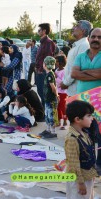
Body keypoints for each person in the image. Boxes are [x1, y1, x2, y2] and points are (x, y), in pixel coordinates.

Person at [71, 27, 101, 174]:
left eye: (99, 37)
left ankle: (99, 165)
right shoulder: (81, 56)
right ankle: (85, 164)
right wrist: (96, 74)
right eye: (93, 37)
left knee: (100, 136)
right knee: (83, 135)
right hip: (82, 102)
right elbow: (74, 73)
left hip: (99, 103)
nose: (96, 39)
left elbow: (79, 73)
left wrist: (82, 73)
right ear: (88, 39)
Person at [65, 100, 97, 199]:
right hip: (78, 180)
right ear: (78, 119)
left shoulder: (84, 133)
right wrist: (81, 183)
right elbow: (73, 164)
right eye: (89, 116)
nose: (92, 118)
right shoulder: (72, 139)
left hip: (87, 176)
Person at [60, 20, 92, 97]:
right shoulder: (78, 45)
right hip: (72, 91)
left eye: (77, 26)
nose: (73, 28)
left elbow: (78, 69)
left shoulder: (84, 46)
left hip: (77, 93)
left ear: (83, 31)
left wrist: (65, 83)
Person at [35, 23, 56, 106]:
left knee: (44, 93)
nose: (38, 32)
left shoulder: (48, 42)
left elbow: (48, 59)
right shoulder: (43, 42)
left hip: (43, 72)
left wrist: (42, 69)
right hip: (39, 71)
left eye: (39, 30)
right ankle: (44, 112)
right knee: (40, 92)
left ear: (44, 31)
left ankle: (45, 113)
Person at [39, 56, 59, 139]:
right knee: (47, 115)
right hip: (47, 99)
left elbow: (53, 87)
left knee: (51, 115)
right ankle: (48, 130)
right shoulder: (48, 74)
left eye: (44, 63)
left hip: (51, 100)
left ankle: (53, 132)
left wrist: (57, 95)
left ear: (46, 65)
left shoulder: (50, 75)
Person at [55, 55, 68, 130]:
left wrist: (56, 78)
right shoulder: (56, 70)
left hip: (63, 93)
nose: (55, 63)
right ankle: (59, 121)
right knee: (57, 107)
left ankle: (65, 121)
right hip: (57, 92)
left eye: (56, 61)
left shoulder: (64, 71)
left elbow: (64, 83)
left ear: (61, 63)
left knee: (63, 107)